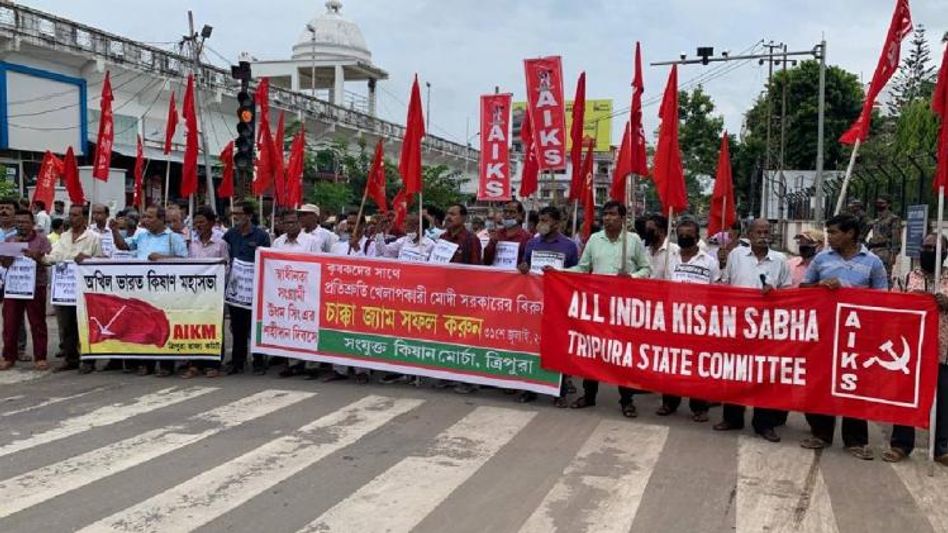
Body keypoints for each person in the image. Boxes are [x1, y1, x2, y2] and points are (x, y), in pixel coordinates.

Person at [799, 213, 888, 460]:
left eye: (834, 232)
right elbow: (803, 289)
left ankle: (855, 440)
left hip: (857, 335)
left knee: (854, 384)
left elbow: (883, 297)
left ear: (850, 234)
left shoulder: (873, 262)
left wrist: (848, 291)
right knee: (821, 381)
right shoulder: (821, 258)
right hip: (825, 332)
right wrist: (820, 286)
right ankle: (821, 433)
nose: (829, 237)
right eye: (828, 232)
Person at [567, 200, 651, 417]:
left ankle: (626, 400)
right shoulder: (595, 239)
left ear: (623, 218)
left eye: (612, 214)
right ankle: (589, 395)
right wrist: (559, 272)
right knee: (592, 350)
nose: (607, 218)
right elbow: (583, 268)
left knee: (622, 354)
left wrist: (632, 277)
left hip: (624, 307)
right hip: (597, 305)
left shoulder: (633, 241)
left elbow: (646, 269)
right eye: (605, 214)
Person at [715, 218, 790, 443]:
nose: (763, 235)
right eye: (759, 232)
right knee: (735, 371)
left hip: (767, 327)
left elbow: (788, 293)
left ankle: (764, 424)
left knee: (764, 375)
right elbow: (726, 283)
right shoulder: (736, 255)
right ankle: (732, 418)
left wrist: (774, 293)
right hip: (738, 324)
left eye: (767, 232)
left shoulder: (780, 260)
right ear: (749, 234)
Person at [883, 233, 948, 465]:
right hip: (911, 351)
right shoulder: (907, 278)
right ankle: (901, 444)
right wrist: (911, 300)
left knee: (944, 401)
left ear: (945, 253)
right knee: (906, 397)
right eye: (925, 247)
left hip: (943, 352)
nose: (928, 252)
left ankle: (942, 448)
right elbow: (891, 307)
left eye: (934, 248)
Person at [111, 205, 189, 376]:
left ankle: (166, 365)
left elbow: (185, 261)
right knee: (144, 326)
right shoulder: (141, 236)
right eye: (144, 216)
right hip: (143, 289)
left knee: (164, 326)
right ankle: (146, 363)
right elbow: (123, 247)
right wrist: (115, 231)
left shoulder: (174, 238)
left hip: (165, 290)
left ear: (161, 219)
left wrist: (162, 258)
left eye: (150, 217)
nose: (145, 220)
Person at [656, 217, 719, 422]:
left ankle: (699, 406)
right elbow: (660, 285)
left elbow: (717, 291)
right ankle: (669, 402)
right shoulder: (670, 258)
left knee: (698, 366)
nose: (684, 236)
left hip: (699, 323)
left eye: (688, 234)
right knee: (671, 363)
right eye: (681, 233)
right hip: (673, 320)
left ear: (697, 236)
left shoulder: (709, 262)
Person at [517, 205, 580, 406]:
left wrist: (559, 275)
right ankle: (530, 388)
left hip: (558, 304)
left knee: (557, 346)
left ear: (557, 223)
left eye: (545, 220)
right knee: (531, 344)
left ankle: (559, 391)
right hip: (534, 303)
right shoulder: (531, 243)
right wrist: (523, 268)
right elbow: (524, 266)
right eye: (540, 220)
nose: (541, 224)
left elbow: (575, 274)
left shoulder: (569, 246)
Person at [42, 204, 103, 374]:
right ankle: (71, 358)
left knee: (85, 324)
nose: (72, 218)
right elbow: (54, 257)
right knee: (67, 324)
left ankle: (88, 360)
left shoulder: (94, 238)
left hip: (85, 289)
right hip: (65, 288)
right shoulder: (64, 237)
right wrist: (40, 258)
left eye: (76, 215)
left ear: (84, 218)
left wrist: (88, 259)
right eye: (71, 215)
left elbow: (101, 261)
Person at [222, 201, 271, 375]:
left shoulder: (261, 236)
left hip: (254, 289)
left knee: (255, 326)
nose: (235, 217)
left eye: (239, 214)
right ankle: (238, 361)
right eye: (233, 214)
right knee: (237, 327)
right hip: (237, 289)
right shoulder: (230, 234)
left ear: (249, 216)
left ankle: (259, 361)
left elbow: (267, 259)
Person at [182, 206, 230, 379]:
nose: (199, 226)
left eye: (202, 222)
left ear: (211, 223)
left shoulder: (221, 243)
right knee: (195, 326)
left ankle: (213, 364)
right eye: (196, 223)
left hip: (214, 293)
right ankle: (194, 363)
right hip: (195, 293)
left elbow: (226, 267)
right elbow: (189, 266)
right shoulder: (192, 244)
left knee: (214, 327)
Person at [0, 209, 51, 370]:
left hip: (36, 286)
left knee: (37, 322)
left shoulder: (42, 239)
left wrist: (35, 255)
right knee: (10, 323)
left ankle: (40, 357)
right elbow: (5, 264)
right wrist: (11, 251)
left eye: (24, 222)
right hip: (14, 287)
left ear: (32, 223)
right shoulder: (10, 239)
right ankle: (9, 356)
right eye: (18, 222)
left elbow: (49, 261)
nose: (21, 225)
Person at [483, 200, 532, 267]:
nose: (507, 214)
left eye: (512, 212)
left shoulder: (527, 237)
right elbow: (486, 262)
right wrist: (492, 243)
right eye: (505, 211)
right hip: (497, 272)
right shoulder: (497, 234)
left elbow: (529, 263)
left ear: (520, 215)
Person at [867, 195, 901, 278]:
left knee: (884, 276)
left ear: (888, 204)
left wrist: (893, 254)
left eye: (882, 203)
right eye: (878, 203)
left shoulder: (893, 219)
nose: (879, 205)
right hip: (873, 250)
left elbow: (895, 238)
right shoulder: (876, 220)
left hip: (885, 251)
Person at [644, 213, 678, 281]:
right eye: (646, 230)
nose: (647, 233)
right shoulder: (645, 250)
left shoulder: (674, 251)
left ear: (661, 231)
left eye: (650, 230)